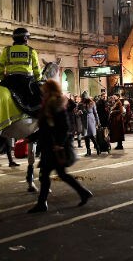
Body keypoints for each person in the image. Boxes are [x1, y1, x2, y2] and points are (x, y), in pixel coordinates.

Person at [26, 80, 92, 213]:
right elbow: (45, 128)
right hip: (50, 146)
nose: (42, 92)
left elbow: (65, 127)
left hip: (54, 147)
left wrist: (59, 144)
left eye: (45, 90)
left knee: (46, 175)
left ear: (50, 90)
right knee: (59, 174)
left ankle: (42, 203)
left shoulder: (56, 104)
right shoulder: (49, 104)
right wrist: (32, 137)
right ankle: (82, 192)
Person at [0, 28, 42, 116]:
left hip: (9, 82)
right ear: (25, 38)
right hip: (26, 82)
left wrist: (4, 79)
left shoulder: (7, 50)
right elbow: (37, 71)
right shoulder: (31, 51)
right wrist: (38, 80)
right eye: (27, 38)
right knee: (39, 101)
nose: (28, 40)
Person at [77, 91, 100, 156]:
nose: (84, 99)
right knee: (86, 136)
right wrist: (79, 113)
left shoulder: (92, 103)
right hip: (84, 120)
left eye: (85, 97)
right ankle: (88, 151)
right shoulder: (80, 104)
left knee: (92, 135)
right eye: (83, 97)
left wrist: (97, 121)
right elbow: (77, 113)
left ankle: (97, 147)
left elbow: (95, 113)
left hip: (91, 120)